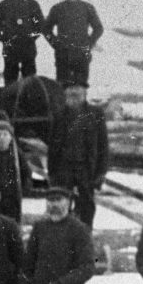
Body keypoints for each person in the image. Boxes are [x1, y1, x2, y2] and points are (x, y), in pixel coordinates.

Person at [24, 185, 98, 284]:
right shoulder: (39, 228)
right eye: (50, 200)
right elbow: (28, 264)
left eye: (58, 200)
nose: (54, 205)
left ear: (68, 203)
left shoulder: (79, 229)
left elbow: (88, 267)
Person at [46, 79, 109, 215]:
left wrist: (101, 172)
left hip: (86, 170)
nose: (73, 91)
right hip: (63, 170)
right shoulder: (59, 115)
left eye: (77, 88)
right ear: (65, 92)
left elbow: (103, 145)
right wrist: (51, 173)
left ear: (85, 92)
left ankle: (85, 229)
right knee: (60, 207)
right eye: (70, 88)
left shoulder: (96, 114)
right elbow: (52, 147)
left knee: (87, 208)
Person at [45, 0, 103, 88]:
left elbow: (98, 28)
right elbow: (46, 29)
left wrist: (89, 44)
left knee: (80, 88)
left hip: (82, 54)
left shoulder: (87, 8)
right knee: (63, 88)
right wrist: (56, 44)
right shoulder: (58, 8)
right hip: (63, 55)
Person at [0, 0, 43, 87]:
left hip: (27, 47)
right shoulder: (3, 5)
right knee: (10, 81)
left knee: (30, 81)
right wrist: (4, 39)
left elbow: (39, 24)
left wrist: (31, 38)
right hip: (10, 48)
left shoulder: (32, 5)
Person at [0, 116, 29, 221]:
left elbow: (26, 174)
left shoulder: (17, 155)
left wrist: (24, 191)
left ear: (10, 137)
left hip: (13, 198)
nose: (2, 138)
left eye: (5, 134)